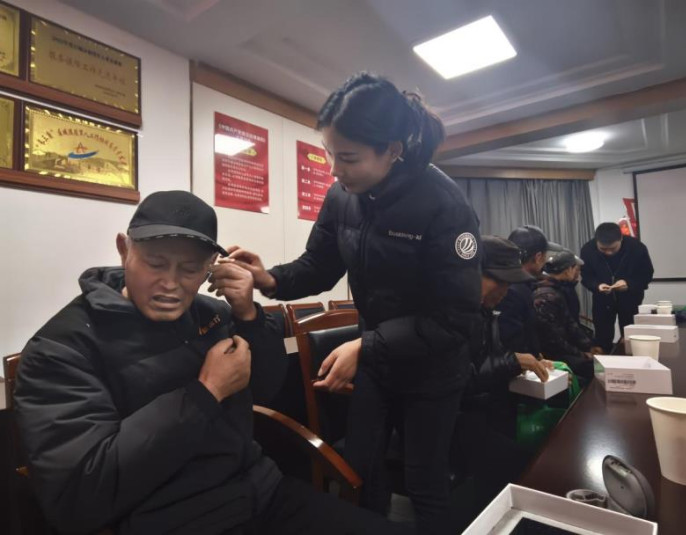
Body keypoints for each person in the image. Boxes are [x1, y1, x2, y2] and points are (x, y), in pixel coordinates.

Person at [14, 191, 407, 535]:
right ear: (124, 249)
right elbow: (78, 498)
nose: (171, 283)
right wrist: (205, 393)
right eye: (155, 263)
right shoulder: (61, 349)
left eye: (190, 269)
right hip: (171, 522)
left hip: (260, 493)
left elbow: (266, 388)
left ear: (209, 268)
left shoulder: (212, 314)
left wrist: (250, 317)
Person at [229, 73, 483, 533]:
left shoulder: (444, 204)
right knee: (361, 472)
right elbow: (318, 265)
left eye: (347, 158)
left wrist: (367, 345)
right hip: (378, 363)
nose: (333, 170)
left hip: (434, 368)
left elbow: (455, 318)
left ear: (392, 150)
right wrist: (270, 278)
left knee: (424, 480)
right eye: (329, 154)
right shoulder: (342, 196)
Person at [456, 236, 553, 518]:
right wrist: (512, 362)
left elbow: (492, 357)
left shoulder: (487, 313)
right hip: (457, 418)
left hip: (487, 407)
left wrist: (527, 362)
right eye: (500, 281)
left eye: (511, 283)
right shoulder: (453, 314)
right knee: (528, 466)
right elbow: (458, 378)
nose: (505, 291)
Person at [580, 223, 654, 352]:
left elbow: (646, 275)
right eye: (603, 249)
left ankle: (632, 361)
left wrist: (629, 284)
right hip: (602, 299)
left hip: (630, 299)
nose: (608, 252)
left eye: (613, 248)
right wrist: (597, 286)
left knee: (631, 338)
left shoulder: (636, 248)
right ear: (596, 241)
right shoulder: (588, 250)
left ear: (621, 239)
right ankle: (603, 362)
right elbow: (585, 276)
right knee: (602, 338)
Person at [533, 250, 602, 384]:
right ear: (568, 270)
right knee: (596, 369)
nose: (578, 274)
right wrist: (582, 354)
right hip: (553, 355)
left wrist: (588, 346)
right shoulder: (546, 296)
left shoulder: (560, 289)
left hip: (566, 348)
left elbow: (570, 322)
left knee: (599, 365)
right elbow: (553, 339)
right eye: (576, 269)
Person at [496, 225, 558, 357]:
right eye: (545, 257)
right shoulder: (514, 291)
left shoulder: (516, 284)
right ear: (538, 257)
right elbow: (513, 343)